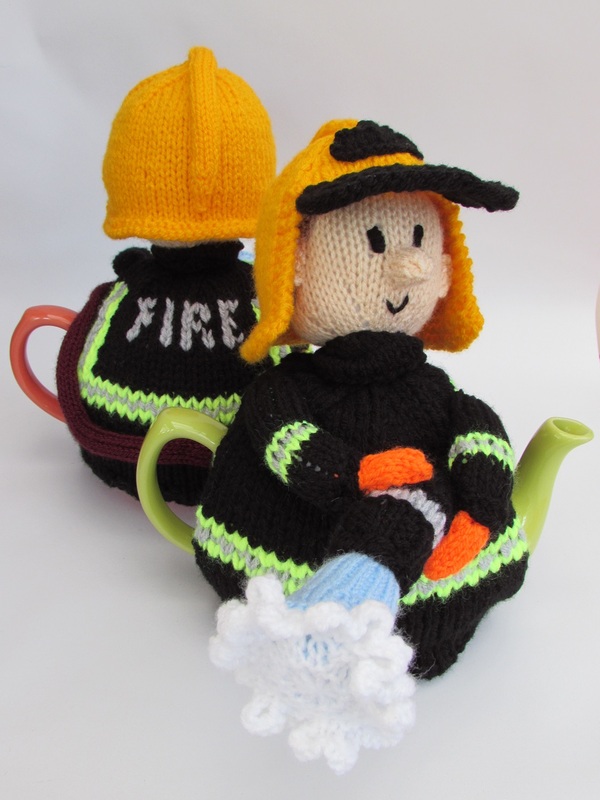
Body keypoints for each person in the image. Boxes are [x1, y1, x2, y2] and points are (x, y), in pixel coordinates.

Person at [193, 120, 528, 771]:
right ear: (293, 266)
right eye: (374, 242)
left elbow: (479, 433)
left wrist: (485, 507)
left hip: (446, 549)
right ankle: (324, 614)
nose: (408, 264)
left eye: (419, 239)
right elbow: (288, 444)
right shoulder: (284, 391)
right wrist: (351, 474)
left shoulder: (437, 394)